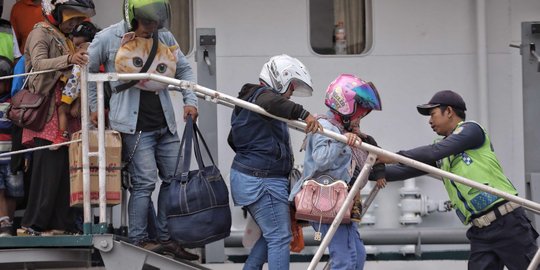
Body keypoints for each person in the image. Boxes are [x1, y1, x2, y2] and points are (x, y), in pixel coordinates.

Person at [376, 90, 539, 270]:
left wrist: (392, 156)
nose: (430, 121)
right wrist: (366, 168)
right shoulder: (442, 152)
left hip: (507, 222)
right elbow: (406, 169)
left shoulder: (472, 131)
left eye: (433, 114)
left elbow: (435, 151)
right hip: (480, 231)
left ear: (449, 111)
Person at [87, 0, 199, 261]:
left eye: (156, 23)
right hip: (132, 126)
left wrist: (190, 101)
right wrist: (94, 105)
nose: (152, 28)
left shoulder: (165, 36)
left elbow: (184, 69)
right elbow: (87, 71)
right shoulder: (107, 38)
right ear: (133, 17)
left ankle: (166, 238)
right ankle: (140, 240)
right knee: (145, 183)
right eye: (148, 23)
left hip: (165, 124)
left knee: (173, 182)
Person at [227, 54, 322, 270]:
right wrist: (304, 114)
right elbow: (271, 101)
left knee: (273, 234)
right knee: (279, 236)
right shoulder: (261, 96)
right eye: (290, 88)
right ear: (280, 79)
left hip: (256, 178)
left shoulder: (251, 101)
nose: (290, 95)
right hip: (261, 181)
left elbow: (233, 140)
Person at [289, 74, 386, 270]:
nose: (360, 118)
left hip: (338, 202)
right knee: (345, 259)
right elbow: (321, 159)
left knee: (357, 254)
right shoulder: (324, 126)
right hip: (325, 202)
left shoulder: (339, 128)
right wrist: (343, 141)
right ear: (346, 107)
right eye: (359, 113)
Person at [17, 0, 95, 236]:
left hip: (65, 109)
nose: (75, 23)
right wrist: (69, 59)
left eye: (77, 19)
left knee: (65, 172)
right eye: (70, 18)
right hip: (49, 112)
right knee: (47, 172)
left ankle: (61, 224)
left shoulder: (63, 36)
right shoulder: (40, 32)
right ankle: (33, 223)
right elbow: (39, 64)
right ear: (54, 12)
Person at [53, 21, 99, 149]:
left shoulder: (83, 56)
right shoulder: (98, 52)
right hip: (98, 96)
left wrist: (68, 98)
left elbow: (75, 79)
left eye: (79, 45)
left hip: (82, 94)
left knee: (62, 110)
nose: (78, 49)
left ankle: (62, 134)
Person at [0, 56, 24, 237]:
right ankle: (4, 223)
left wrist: (26, 156)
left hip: (13, 154)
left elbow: (18, 127)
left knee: (13, 192)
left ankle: (9, 223)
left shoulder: (15, 101)